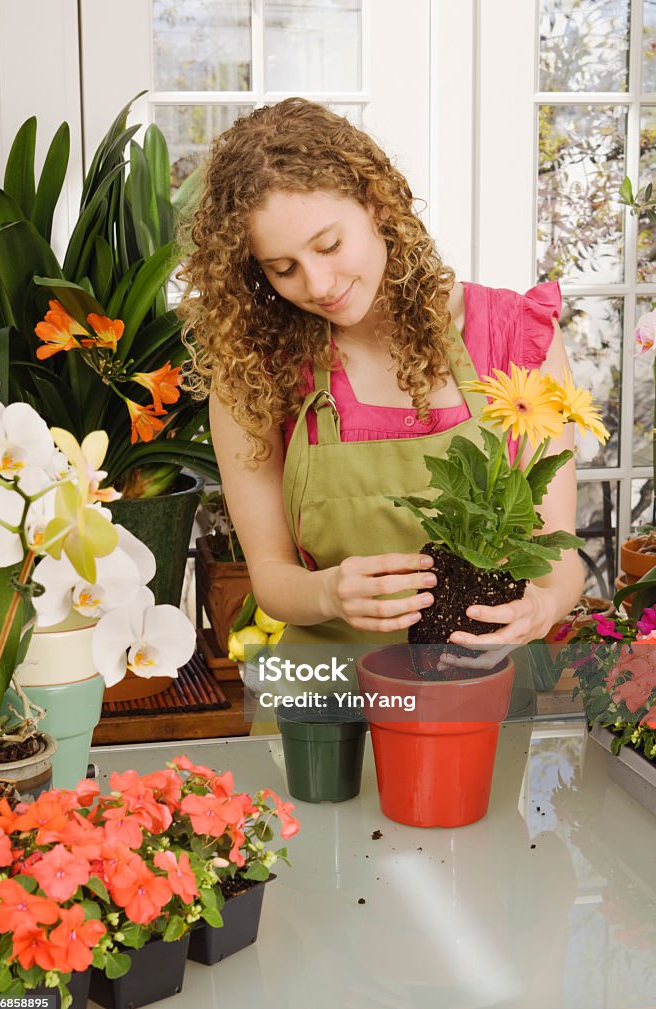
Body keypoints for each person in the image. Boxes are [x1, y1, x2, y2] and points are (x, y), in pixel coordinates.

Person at [179, 97, 584, 662]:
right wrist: (326, 592)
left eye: (329, 245)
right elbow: (271, 575)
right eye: (283, 268)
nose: (318, 284)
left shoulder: (515, 334)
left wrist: (542, 608)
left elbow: (557, 547)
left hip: (479, 688)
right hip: (324, 698)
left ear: (377, 204)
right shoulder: (254, 369)